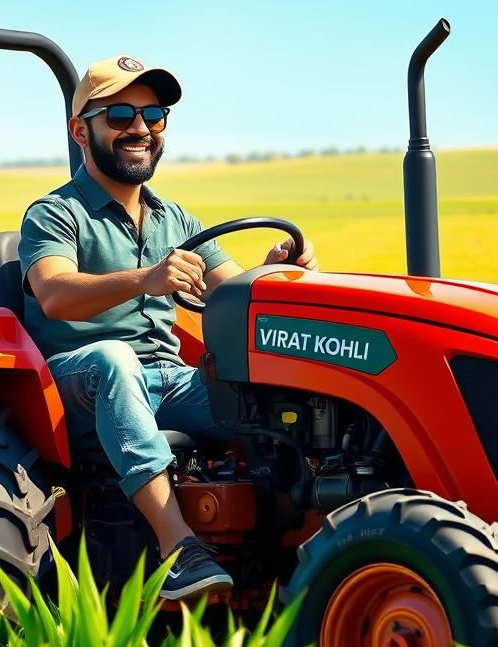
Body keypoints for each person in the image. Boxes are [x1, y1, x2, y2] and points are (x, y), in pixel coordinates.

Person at [18, 55, 319, 600]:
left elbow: (234, 294)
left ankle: (301, 552)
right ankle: (179, 548)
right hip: (73, 386)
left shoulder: (176, 221)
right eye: (120, 115)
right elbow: (55, 293)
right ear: (79, 130)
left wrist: (276, 269)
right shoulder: (55, 213)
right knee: (115, 360)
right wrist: (146, 279)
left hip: (168, 381)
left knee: (263, 402)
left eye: (154, 115)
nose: (140, 127)